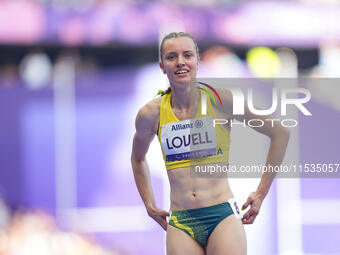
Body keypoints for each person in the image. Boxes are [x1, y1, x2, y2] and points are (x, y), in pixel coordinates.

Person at [131, 32, 290, 255]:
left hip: (221, 216)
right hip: (181, 221)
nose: (180, 62)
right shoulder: (151, 113)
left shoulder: (221, 100)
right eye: (171, 57)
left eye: (187, 55)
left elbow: (280, 133)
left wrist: (261, 192)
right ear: (161, 65)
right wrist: (148, 204)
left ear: (198, 61)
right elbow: (137, 158)